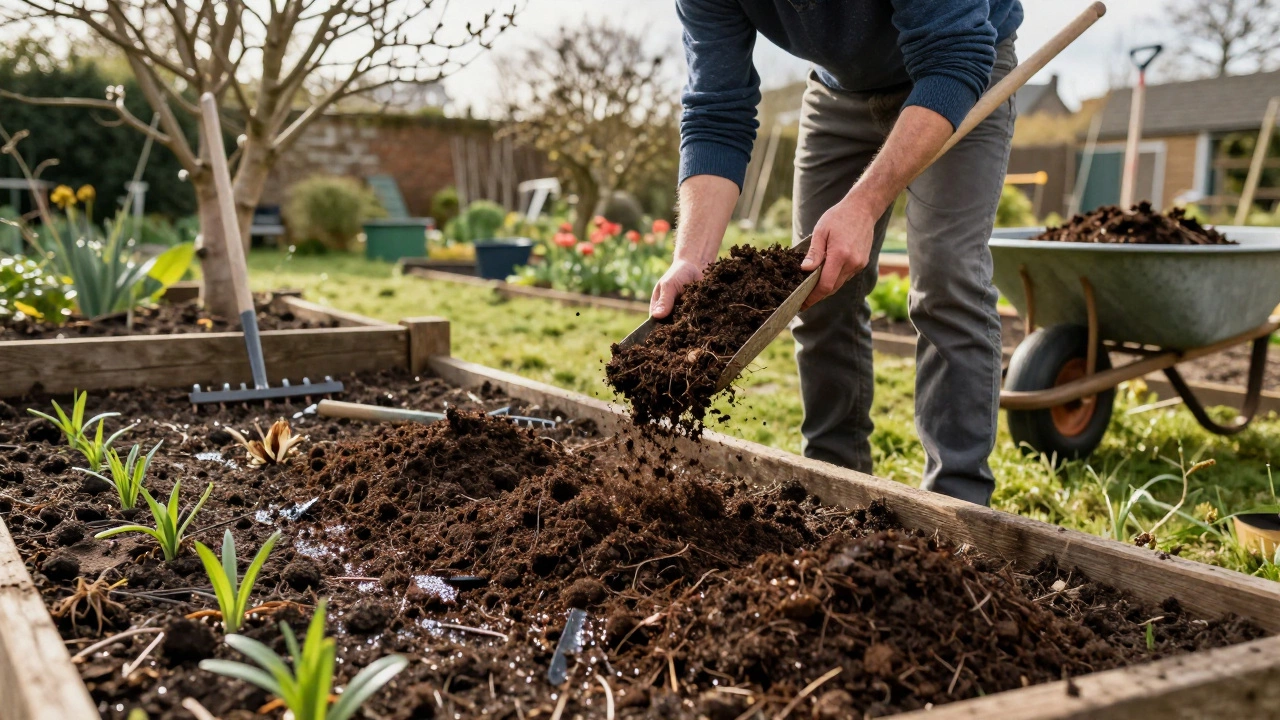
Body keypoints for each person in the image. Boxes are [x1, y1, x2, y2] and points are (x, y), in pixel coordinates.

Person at [650, 0, 1024, 506]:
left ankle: (958, 507)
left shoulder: (955, 55)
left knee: (947, 279)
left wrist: (863, 205)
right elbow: (716, 111)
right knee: (815, 287)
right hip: (838, 91)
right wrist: (691, 259)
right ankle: (834, 492)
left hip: (956, 67)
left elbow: (954, 54)